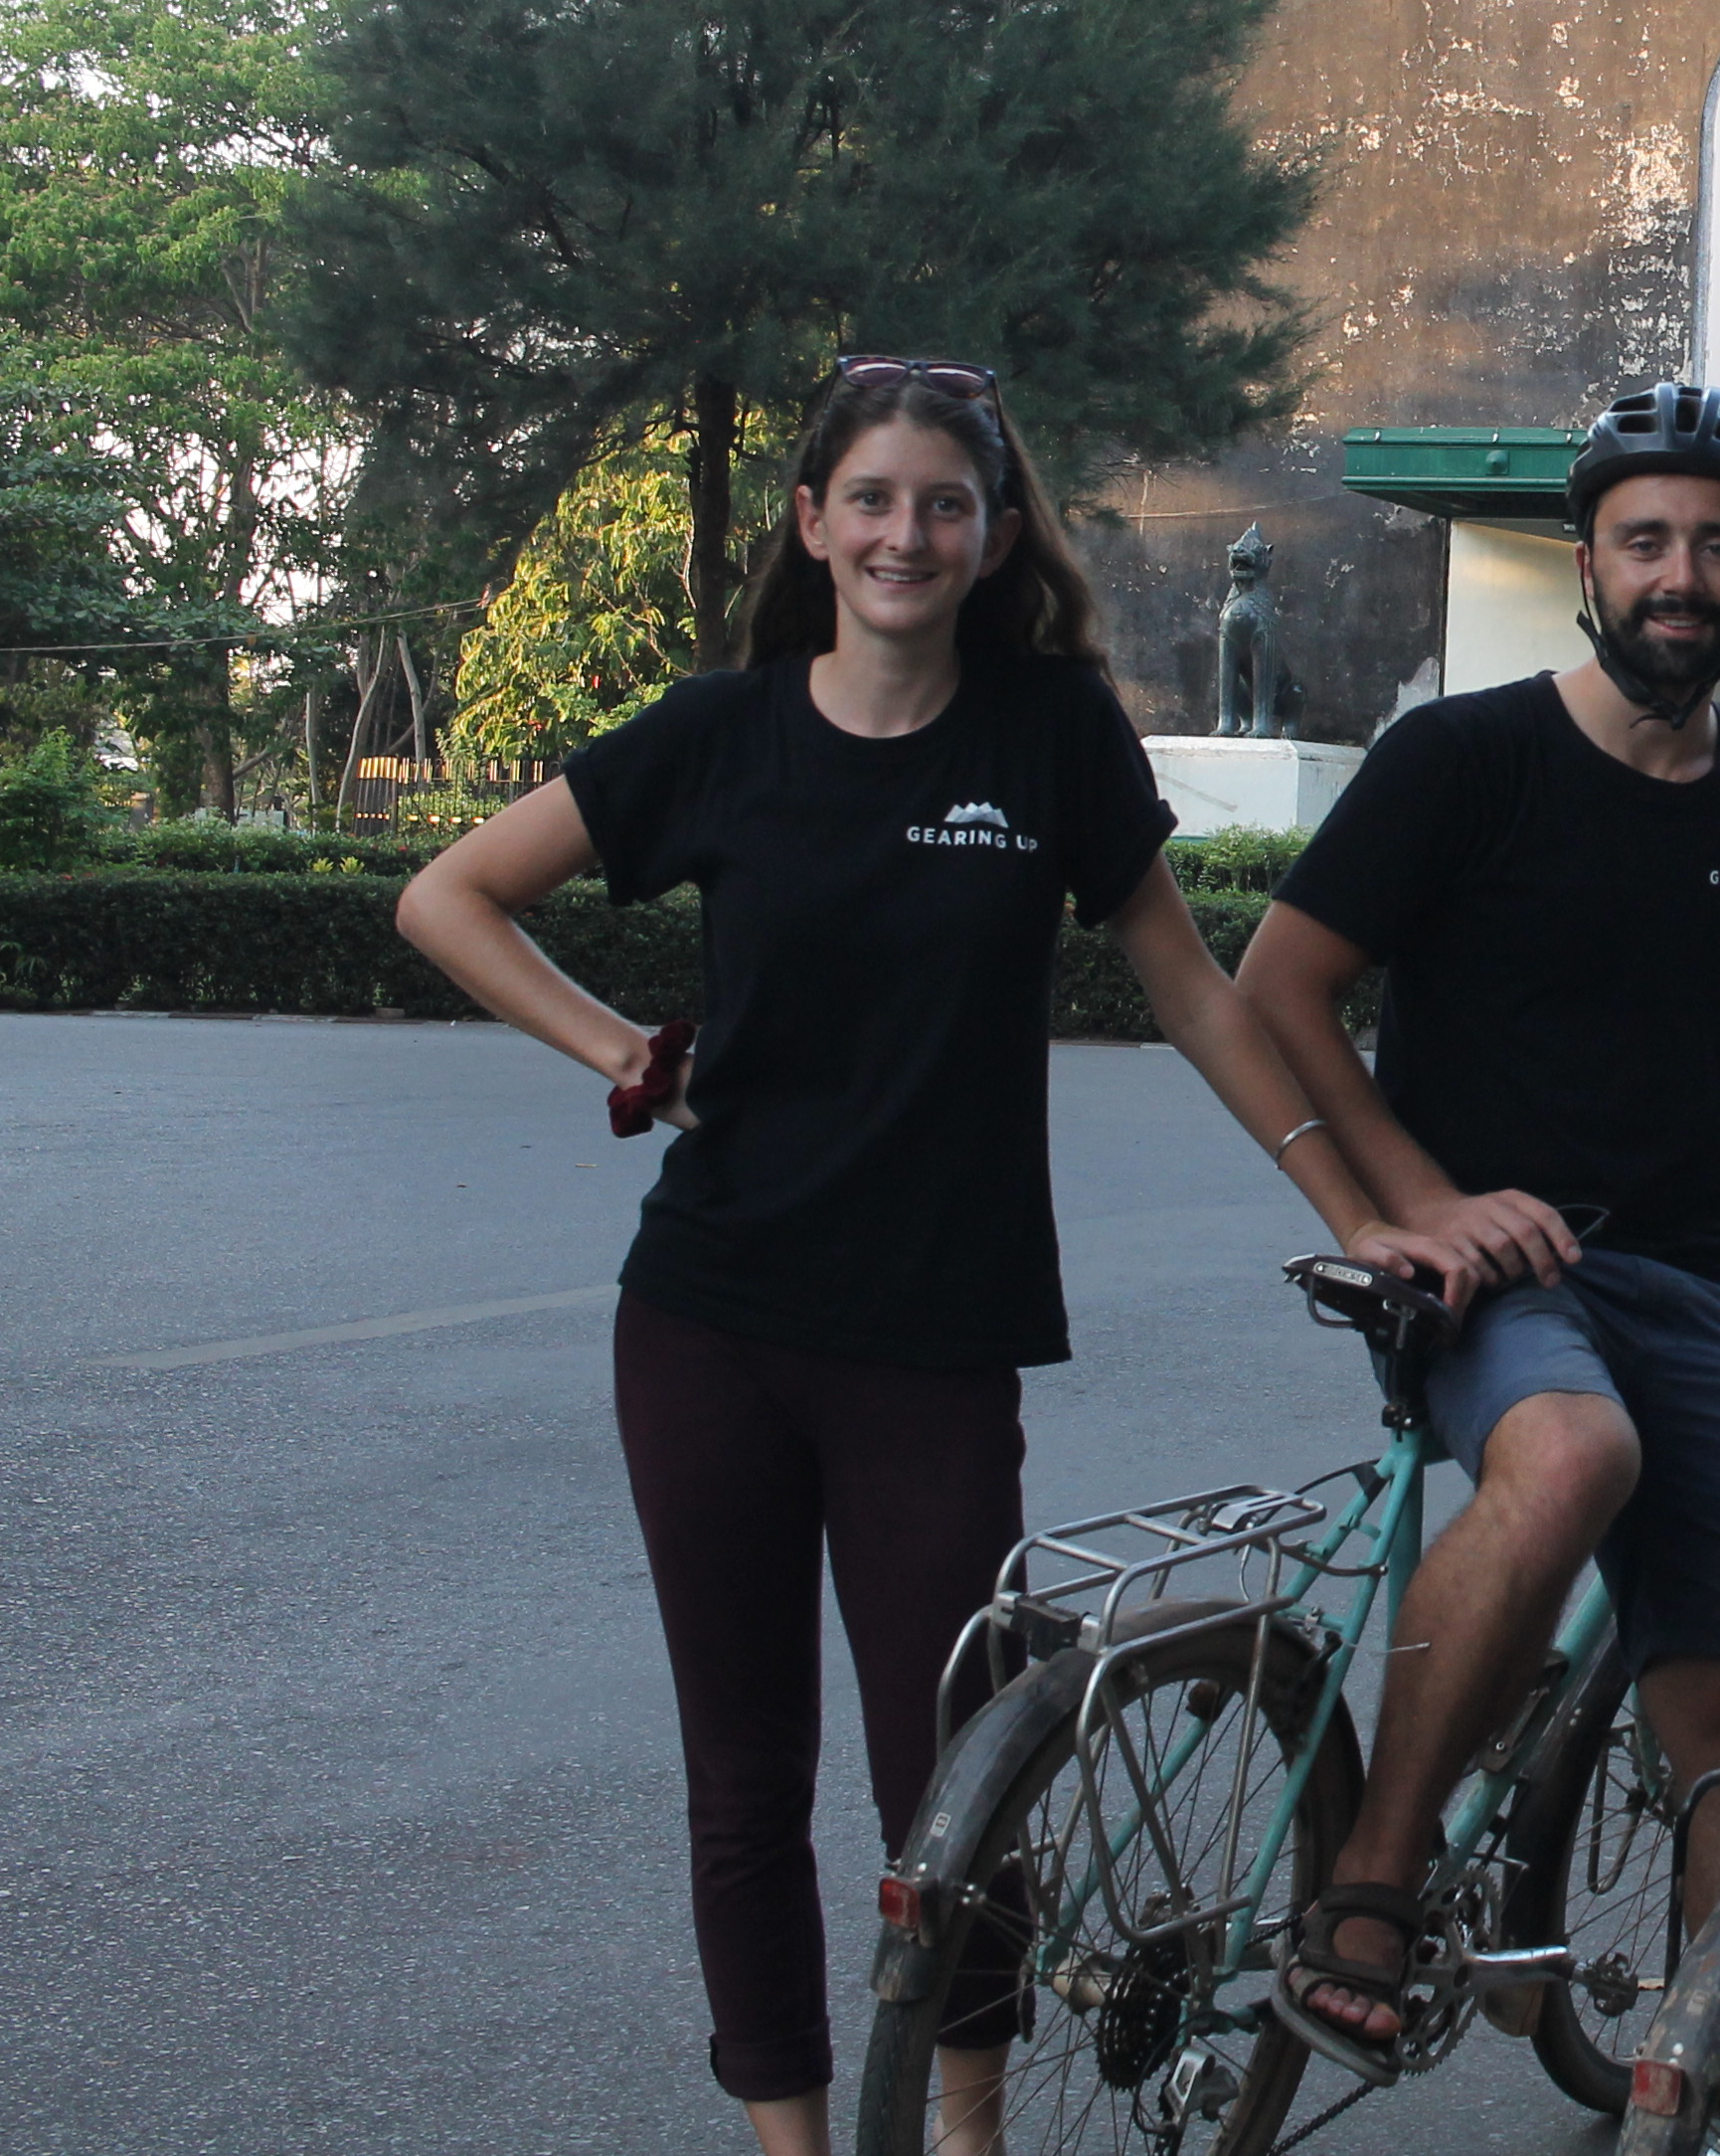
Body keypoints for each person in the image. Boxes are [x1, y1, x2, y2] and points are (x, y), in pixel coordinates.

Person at [395, 357, 1380, 2156]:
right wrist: (619, 1049)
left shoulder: (1051, 733)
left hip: (933, 1340)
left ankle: (969, 2127)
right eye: (872, 499)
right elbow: (446, 895)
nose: (905, 533)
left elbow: (1189, 989)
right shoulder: (721, 731)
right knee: (744, 1781)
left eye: (944, 503)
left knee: (960, 1776)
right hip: (709, 1320)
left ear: (996, 535)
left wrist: (1353, 1202)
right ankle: (787, 2141)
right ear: (812, 523)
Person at [1232, 378, 1720, 2079]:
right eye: (1647, 539)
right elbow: (1280, 985)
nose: (1682, 575)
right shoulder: (1465, 756)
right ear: (1589, 561)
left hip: (1688, 1282)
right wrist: (1411, 1202)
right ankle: (1373, 1883)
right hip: (1488, 1282)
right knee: (1570, 1459)